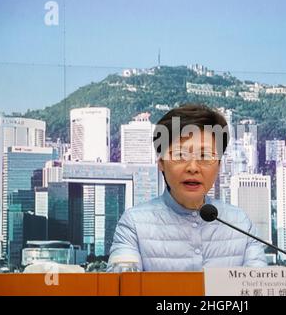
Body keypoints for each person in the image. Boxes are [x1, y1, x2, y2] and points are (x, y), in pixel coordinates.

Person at [108, 104, 267, 271]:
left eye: (205, 156)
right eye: (180, 155)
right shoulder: (134, 224)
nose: (193, 167)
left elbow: (258, 288)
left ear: (219, 165)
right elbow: (122, 287)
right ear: (161, 163)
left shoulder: (240, 223)